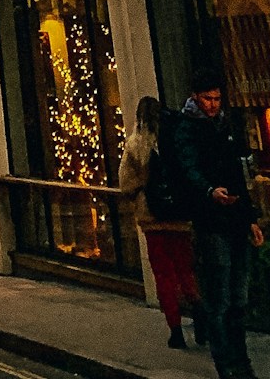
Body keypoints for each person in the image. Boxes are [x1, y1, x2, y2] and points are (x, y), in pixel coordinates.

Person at [170, 70, 263, 379]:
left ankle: (243, 362)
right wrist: (210, 191)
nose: (213, 104)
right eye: (208, 99)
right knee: (220, 298)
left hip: (236, 220)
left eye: (217, 99)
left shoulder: (227, 126)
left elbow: (240, 175)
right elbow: (188, 169)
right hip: (211, 222)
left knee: (240, 298)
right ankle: (226, 365)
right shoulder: (186, 128)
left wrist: (251, 220)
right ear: (196, 97)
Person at [119, 94, 199, 349]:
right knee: (186, 270)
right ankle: (200, 313)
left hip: (153, 219)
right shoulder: (176, 141)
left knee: (164, 275)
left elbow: (126, 184)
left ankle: (175, 329)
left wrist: (143, 184)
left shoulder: (135, 145)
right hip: (179, 216)